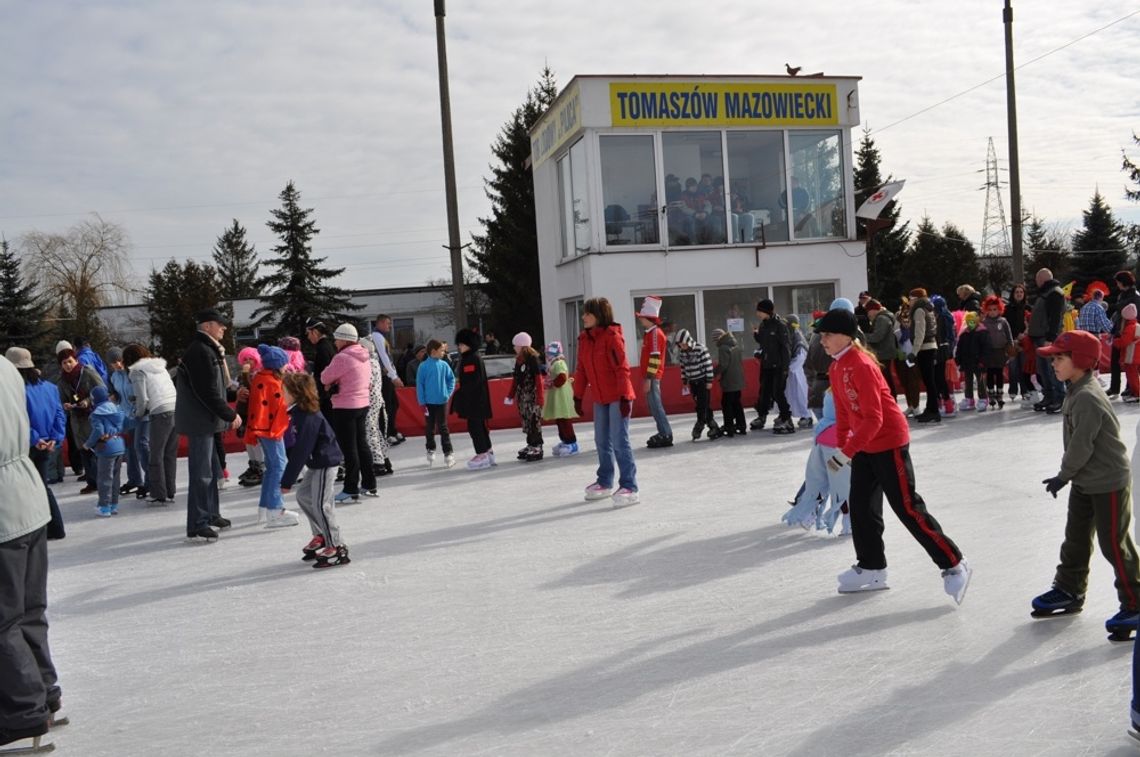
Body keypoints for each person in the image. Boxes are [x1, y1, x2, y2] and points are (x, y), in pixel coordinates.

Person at [815, 307, 971, 603]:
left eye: (828, 334)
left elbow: (874, 418)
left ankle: (953, 562)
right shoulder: (836, 367)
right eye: (821, 335)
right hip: (865, 445)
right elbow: (845, 414)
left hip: (888, 442)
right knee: (861, 507)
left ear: (846, 337)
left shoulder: (861, 364)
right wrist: (841, 445)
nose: (823, 340)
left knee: (907, 507)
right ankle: (872, 567)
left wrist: (847, 452)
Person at [1031, 330, 1140, 636]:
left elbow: (1082, 446)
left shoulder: (1087, 397)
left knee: (1114, 545)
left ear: (1079, 360)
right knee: (1076, 538)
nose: (1053, 363)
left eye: (1059, 358)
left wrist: (1062, 476)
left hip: (1107, 482)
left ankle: (1136, 602)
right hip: (1085, 480)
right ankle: (1069, 589)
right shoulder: (1075, 389)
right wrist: (1071, 477)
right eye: (1053, 358)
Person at [0, 356, 64, 754]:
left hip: (5, 512)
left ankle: (23, 712)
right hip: (27, 499)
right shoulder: (6, 366)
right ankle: (44, 694)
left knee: (5, 619)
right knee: (27, 610)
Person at [174, 308, 240, 541]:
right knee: (201, 473)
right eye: (219, 324)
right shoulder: (201, 351)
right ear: (206, 326)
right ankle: (197, 523)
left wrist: (232, 399)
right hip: (200, 420)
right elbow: (206, 391)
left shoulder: (210, 350)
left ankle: (211, 514)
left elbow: (217, 387)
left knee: (212, 471)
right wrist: (229, 414)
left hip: (208, 420)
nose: (223, 328)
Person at [280, 371, 350, 569]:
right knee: (303, 495)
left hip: (325, 463)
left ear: (296, 393)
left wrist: (287, 480)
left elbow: (301, 449)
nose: (282, 394)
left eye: (284, 391)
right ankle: (321, 534)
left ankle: (337, 545)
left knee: (321, 504)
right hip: (316, 463)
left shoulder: (307, 416)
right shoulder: (298, 413)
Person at [573, 297, 639, 507]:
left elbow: (622, 369)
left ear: (599, 315)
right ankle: (605, 481)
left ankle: (629, 485)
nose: (583, 317)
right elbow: (581, 369)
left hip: (619, 397)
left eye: (588, 313)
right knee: (601, 441)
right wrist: (578, 395)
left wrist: (623, 397)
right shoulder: (584, 339)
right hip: (600, 398)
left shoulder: (612, 337)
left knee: (619, 442)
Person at [7, 347, 66, 540]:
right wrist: (54, 439)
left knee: (23, 490)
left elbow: (19, 419)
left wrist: (35, 439)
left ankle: (33, 530)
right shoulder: (50, 388)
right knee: (42, 486)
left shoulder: (16, 391)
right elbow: (59, 414)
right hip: (46, 444)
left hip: (26, 444)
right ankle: (55, 527)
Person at [780, 390, 851, 536]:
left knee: (820, 483)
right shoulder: (848, 391)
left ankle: (807, 513)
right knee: (843, 488)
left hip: (823, 440)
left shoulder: (830, 391)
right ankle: (849, 524)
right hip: (840, 445)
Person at [321, 324, 378, 503]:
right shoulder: (364, 356)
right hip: (362, 404)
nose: (335, 343)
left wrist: (330, 383)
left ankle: (351, 487)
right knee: (362, 444)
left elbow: (324, 377)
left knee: (349, 448)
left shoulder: (342, 358)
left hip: (345, 406)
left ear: (344, 339)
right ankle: (369, 483)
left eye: (337, 339)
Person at [245, 345, 300, 528]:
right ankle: (276, 510)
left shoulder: (264, 378)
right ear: (276, 365)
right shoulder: (269, 381)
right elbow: (277, 406)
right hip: (270, 429)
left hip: (266, 428)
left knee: (272, 467)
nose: (286, 367)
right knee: (279, 466)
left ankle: (266, 506)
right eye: (284, 364)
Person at [124, 344, 178, 506]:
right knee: (169, 454)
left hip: (160, 413)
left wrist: (137, 414)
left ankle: (157, 493)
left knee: (156, 455)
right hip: (175, 408)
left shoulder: (136, 371)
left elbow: (143, 399)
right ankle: (169, 490)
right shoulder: (159, 367)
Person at [56, 347, 105, 494]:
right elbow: (61, 399)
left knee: (96, 449)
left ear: (76, 360)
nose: (68, 365)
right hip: (77, 419)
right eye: (64, 363)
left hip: (92, 416)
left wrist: (88, 400)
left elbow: (102, 390)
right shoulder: (62, 381)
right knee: (84, 451)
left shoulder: (87, 372)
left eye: (70, 361)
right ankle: (91, 481)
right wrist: (65, 404)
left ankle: (101, 480)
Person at [452, 329, 495, 470]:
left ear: (469, 344)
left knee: (475, 427)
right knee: (480, 426)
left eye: (462, 344)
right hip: (477, 400)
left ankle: (482, 454)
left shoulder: (471, 359)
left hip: (475, 401)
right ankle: (488, 451)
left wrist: (460, 394)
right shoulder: (471, 357)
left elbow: (472, 382)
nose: (459, 347)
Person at [1028, 268, 1068, 413]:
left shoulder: (1054, 294)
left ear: (1042, 280)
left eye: (1037, 279)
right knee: (1043, 370)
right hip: (1040, 338)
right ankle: (1049, 395)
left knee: (1053, 369)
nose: (1036, 282)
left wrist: (1050, 338)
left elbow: (1055, 318)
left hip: (1048, 338)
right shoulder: (1046, 293)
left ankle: (1059, 397)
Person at [752, 299, 794, 434]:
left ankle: (787, 418)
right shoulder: (763, 325)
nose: (757, 313)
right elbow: (763, 342)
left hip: (779, 366)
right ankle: (761, 416)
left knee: (777, 392)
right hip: (766, 364)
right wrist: (756, 335)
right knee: (764, 392)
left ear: (766, 311)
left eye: (759, 311)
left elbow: (785, 348)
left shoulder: (780, 325)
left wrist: (785, 368)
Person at [106, 346, 143, 496]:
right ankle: (134, 479)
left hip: (138, 415)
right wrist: (114, 396)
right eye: (114, 363)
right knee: (129, 449)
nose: (118, 365)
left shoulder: (131, 373)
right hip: (124, 416)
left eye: (120, 361)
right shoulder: (114, 377)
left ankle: (146, 481)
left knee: (140, 448)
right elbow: (117, 392)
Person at [84, 385, 126, 517]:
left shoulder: (96, 414)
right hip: (119, 446)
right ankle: (114, 504)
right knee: (115, 478)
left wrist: (88, 444)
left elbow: (98, 431)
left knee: (104, 478)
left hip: (106, 448)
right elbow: (122, 426)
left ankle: (104, 507)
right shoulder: (117, 409)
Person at [637, 296, 673, 448]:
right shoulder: (650, 333)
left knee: (656, 405)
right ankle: (663, 431)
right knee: (653, 406)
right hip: (650, 376)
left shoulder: (655, 334)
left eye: (642, 317)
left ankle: (666, 433)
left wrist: (649, 379)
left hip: (652, 377)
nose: (640, 320)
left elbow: (655, 358)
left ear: (648, 318)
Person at [675, 328, 722, 442]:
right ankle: (713, 426)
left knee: (702, 405)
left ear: (688, 341)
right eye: (680, 345)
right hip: (693, 382)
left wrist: (709, 381)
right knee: (702, 405)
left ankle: (699, 425)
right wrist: (685, 381)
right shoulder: (682, 352)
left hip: (703, 381)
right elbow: (683, 368)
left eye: (684, 344)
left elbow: (708, 365)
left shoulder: (701, 349)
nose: (682, 347)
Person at [416, 339, 457, 468]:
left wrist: (448, 393)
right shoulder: (423, 366)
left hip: (442, 401)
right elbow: (420, 385)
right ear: (433, 351)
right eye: (442, 350)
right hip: (428, 403)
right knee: (430, 427)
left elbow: (451, 380)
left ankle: (448, 452)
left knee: (443, 427)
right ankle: (431, 448)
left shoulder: (444, 365)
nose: (444, 353)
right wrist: (422, 402)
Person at [507, 332, 545, 462]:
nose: (514, 348)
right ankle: (530, 444)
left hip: (532, 396)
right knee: (527, 421)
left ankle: (537, 445)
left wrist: (540, 397)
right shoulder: (519, 361)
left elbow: (538, 379)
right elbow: (516, 379)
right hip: (523, 397)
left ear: (522, 346)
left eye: (515, 345)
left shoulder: (533, 359)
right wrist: (510, 395)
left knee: (534, 420)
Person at [359, 337, 393, 478]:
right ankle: (384, 460)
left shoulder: (369, 363)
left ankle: (378, 463)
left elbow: (368, 382)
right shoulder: (374, 361)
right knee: (376, 432)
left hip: (370, 401)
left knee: (370, 431)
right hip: (375, 400)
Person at [907, 288, 942, 423]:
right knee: (929, 381)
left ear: (916, 299)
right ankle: (931, 408)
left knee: (929, 381)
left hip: (925, 348)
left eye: (911, 299)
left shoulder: (919, 310)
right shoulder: (928, 309)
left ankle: (933, 410)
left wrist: (914, 352)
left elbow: (920, 333)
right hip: (930, 346)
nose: (909, 301)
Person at [371, 314, 405, 445]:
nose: (389, 326)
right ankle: (386, 433)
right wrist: (393, 376)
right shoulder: (377, 337)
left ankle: (391, 430)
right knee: (386, 406)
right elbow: (384, 357)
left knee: (393, 404)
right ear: (379, 323)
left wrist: (394, 374)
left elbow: (388, 358)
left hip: (387, 376)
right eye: (387, 323)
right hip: (383, 377)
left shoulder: (381, 337)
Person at [234, 347, 266, 487]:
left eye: (250, 359)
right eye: (245, 359)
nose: (247, 362)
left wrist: (246, 374)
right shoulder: (242, 376)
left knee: (255, 441)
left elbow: (254, 390)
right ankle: (253, 465)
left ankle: (261, 467)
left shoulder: (257, 375)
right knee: (248, 441)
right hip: (244, 411)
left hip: (255, 412)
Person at [543, 341, 579, 456]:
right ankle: (565, 440)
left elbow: (562, 378)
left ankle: (572, 443)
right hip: (557, 395)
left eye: (548, 353)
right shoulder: (554, 363)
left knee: (564, 418)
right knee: (560, 418)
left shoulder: (559, 363)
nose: (547, 355)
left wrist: (552, 383)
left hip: (561, 395)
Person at [981, 295, 1014, 409]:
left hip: (1001, 350)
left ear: (999, 309)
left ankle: (999, 394)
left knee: (999, 373)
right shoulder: (984, 322)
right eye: (990, 309)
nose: (992, 312)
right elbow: (982, 337)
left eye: (995, 309)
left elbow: (1009, 335)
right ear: (986, 310)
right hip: (989, 352)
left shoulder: (1003, 321)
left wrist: (1011, 347)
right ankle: (991, 394)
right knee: (990, 373)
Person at [1110, 271, 1140, 397]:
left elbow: (1135, 314)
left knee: (1130, 363)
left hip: (1129, 332)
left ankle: (1132, 388)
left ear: (1123, 282)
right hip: (1119, 330)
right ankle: (1115, 387)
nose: (1117, 284)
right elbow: (1118, 314)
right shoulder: (1122, 295)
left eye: (1118, 282)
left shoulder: (1135, 296)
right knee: (1115, 361)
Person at [955, 312, 991, 412]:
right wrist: (958, 360)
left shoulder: (983, 333)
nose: (970, 324)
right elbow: (960, 348)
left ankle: (983, 398)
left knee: (980, 381)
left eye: (972, 322)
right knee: (968, 381)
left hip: (979, 362)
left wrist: (983, 361)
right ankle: (969, 399)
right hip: (967, 362)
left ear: (977, 321)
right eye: (968, 322)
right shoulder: (964, 334)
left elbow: (986, 349)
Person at [712, 328, 746, 436]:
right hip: (738, 379)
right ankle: (742, 426)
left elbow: (723, 365)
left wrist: (713, 373)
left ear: (718, 338)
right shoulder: (735, 344)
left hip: (729, 380)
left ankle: (729, 427)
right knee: (737, 403)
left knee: (726, 404)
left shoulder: (723, 348)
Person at [864, 299, 899, 397]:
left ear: (873, 309)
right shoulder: (885, 317)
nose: (868, 314)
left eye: (868, 311)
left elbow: (877, 337)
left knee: (885, 379)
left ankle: (891, 398)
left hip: (883, 353)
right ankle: (892, 398)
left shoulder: (881, 319)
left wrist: (862, 336)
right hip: (886, 352)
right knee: (887, 378)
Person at [305, 318, 338, 419]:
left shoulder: (322, 348)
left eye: (308, 333)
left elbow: (325, 371)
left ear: (315, 332)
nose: (308, 337)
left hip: (326, 394)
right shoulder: (328, 344)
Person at [785, 315, 813, 429]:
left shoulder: (797, 337)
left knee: (801, 394)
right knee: (795, 395)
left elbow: (801, 356)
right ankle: (802, 415)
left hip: (799, 372)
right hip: (795, 372)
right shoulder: (794, 335)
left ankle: (807, 416)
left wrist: (789, 368)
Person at [1005, 283, 1032, 402]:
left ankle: (1025, 390)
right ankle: (1012, 389)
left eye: (1021, 292)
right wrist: (1012, 338)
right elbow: (1006, 325)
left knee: (1024, 366)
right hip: (1011, 341)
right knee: (1013, 366)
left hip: (1025, 341)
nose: (1019, 294)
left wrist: (1025, 334)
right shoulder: (1007, 308)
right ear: (1013, 294)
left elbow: (1032, 324)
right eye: (1017, 292)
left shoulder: (1028, 308)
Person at [1114, 304, 1140, 403]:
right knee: (1135, 376)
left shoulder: (1129, 328)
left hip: (1131, 356)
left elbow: (1124, 342)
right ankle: (1136, 393)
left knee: (1132, 377)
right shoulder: (1137, 325)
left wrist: (1115, 341)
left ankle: (1137, 394)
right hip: (1137, 355)